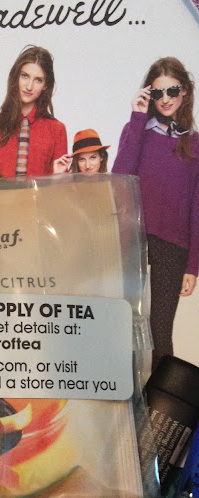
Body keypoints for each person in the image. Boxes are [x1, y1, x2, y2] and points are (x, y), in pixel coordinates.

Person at [113, 57, 199, 371]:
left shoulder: (195, 144)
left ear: (185, 91)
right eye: (157, 92)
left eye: (172, 90)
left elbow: (197, 208)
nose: (165, 99)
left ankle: (159, 402)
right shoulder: (136, 130)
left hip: (174, 248)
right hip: (134, 241)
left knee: (160, 332)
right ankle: (127, 398)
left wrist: (193, 264)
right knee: (126, 327)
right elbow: (119, 179)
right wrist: (137, 118)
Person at [0, 46, 67, 177]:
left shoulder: (57, 130)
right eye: (25, 76)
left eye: (38, 80)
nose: (29, 86)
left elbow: (61, 185)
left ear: (45, 85)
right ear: (16, 77)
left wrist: (56, 177)